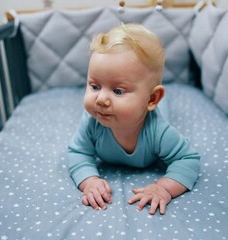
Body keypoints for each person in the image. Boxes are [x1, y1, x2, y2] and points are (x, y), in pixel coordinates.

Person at [68, 23, 200, 215]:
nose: (101, 99)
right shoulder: (92, 121)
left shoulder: (158, 130)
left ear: (151, 99)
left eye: (118, 91)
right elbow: (78, 152)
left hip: (154, 109)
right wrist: (90, 181)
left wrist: (164, 187)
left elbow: (188, 159)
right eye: (95, 86)